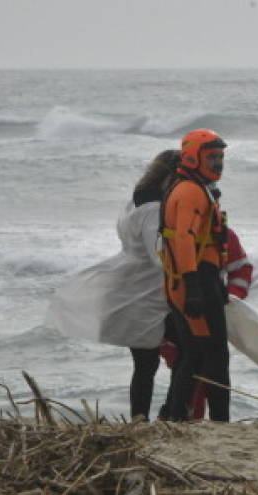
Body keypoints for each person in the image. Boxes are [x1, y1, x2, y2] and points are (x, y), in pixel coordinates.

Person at [45, 149, 181, 421]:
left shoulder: (135, 201)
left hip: (130, 287)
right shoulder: (154, 209)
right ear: (172, 177)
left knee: (145, 363)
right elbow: (159, 259)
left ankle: (140, 419)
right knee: (186, 352)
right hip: (146, 293)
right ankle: (168, 414)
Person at [159, 128, 231, 422]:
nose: (218, 163)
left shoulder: (195, 188)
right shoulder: (189, 192)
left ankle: (176, 416)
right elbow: (184, 240)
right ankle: (219, 422)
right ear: (192, 157)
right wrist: (194, 288)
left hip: (199, 279)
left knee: (196, 355)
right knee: (211, 356)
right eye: (212, 157)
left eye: (220, 157)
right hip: (194, 281)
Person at [187, 221, 253, 419]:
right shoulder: (176, 236)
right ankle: (189, 418)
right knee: (188, 371)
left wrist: (231, 298)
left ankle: (215, 422)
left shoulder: (224, 235)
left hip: (213, 312)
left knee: (213, 372)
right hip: (179, 315)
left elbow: (242, 269)